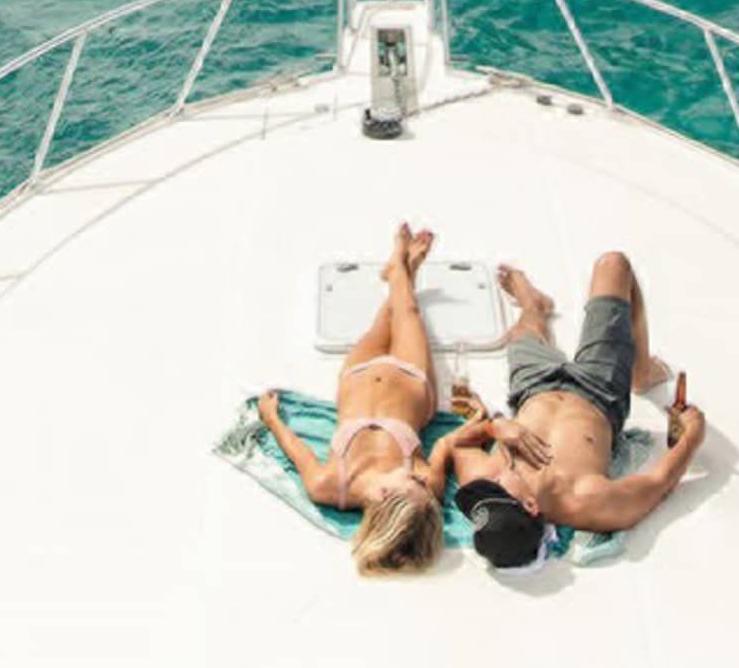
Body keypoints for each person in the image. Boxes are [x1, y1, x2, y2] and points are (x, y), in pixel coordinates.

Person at [257, 223, 536, 576]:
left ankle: (401, 272)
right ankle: (399, 265)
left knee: (383, 320)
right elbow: (447, 444)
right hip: (412, 380)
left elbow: (297, 450)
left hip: (357, 377)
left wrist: (272, 419)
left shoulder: (328, 486)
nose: (424, 482)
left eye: (415, 484)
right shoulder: (425, 489)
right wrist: (481, 425)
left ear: (385, 499)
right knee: (408, 314)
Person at [444, 252, 706, 570]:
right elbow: (659, 483)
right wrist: (692, 437)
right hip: (598, 391)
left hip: (532, 388)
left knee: (521, 333)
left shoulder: (484, 476)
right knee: (613, 265)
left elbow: (457, 444)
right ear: (529, 505)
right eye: (496, 489)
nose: (493, 479)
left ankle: (533, 304)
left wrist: (496, 427)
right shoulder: (586, 500)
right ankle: (642, 372)